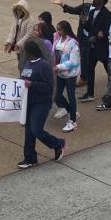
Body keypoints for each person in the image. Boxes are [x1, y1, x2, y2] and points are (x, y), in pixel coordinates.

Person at [53, 0, 111, 101]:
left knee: (108, 69)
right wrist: (84, 22)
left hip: (101, 47)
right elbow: (89, 27)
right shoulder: (91, 10)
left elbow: (108, 30)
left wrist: (100, 35)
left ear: (102, 1)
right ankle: (90, 94)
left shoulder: (107, 14)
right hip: (91, 46)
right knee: (89, 68)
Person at [17, 41, 67, 169]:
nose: (22, 52)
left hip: (42, 102)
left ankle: (58, 144)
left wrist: (32, 84)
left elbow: (49, 87)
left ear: (29, 51)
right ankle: (30, 158)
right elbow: (24, 79)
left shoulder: (43, 65)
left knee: (36, 130)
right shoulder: (27, 64)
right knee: (29, 131)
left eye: (24, 50)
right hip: (29, 102)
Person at [52, 21, 81, 132]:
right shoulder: (57, 40)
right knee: (57, 95)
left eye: (60, 29)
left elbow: (74, 61)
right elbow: (53, 54)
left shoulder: (72, 43)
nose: (58, 31)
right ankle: (71, 111)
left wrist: (59, 66)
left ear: (66, 30)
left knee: (71, 96)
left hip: (70, 74)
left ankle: (72, 121)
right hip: (60, 73)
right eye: (57, 29)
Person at [5, 0, 34, 70]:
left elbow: (29, 34)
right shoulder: (16, 19)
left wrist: (18, 44)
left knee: (24, 65)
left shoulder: (30, 20)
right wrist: (9, 42)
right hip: (17, 47)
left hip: (25, 47)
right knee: (20, 64)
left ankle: (24, 78)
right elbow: (12, 31)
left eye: (20, 10)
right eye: (17, 10)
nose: (18, 11)